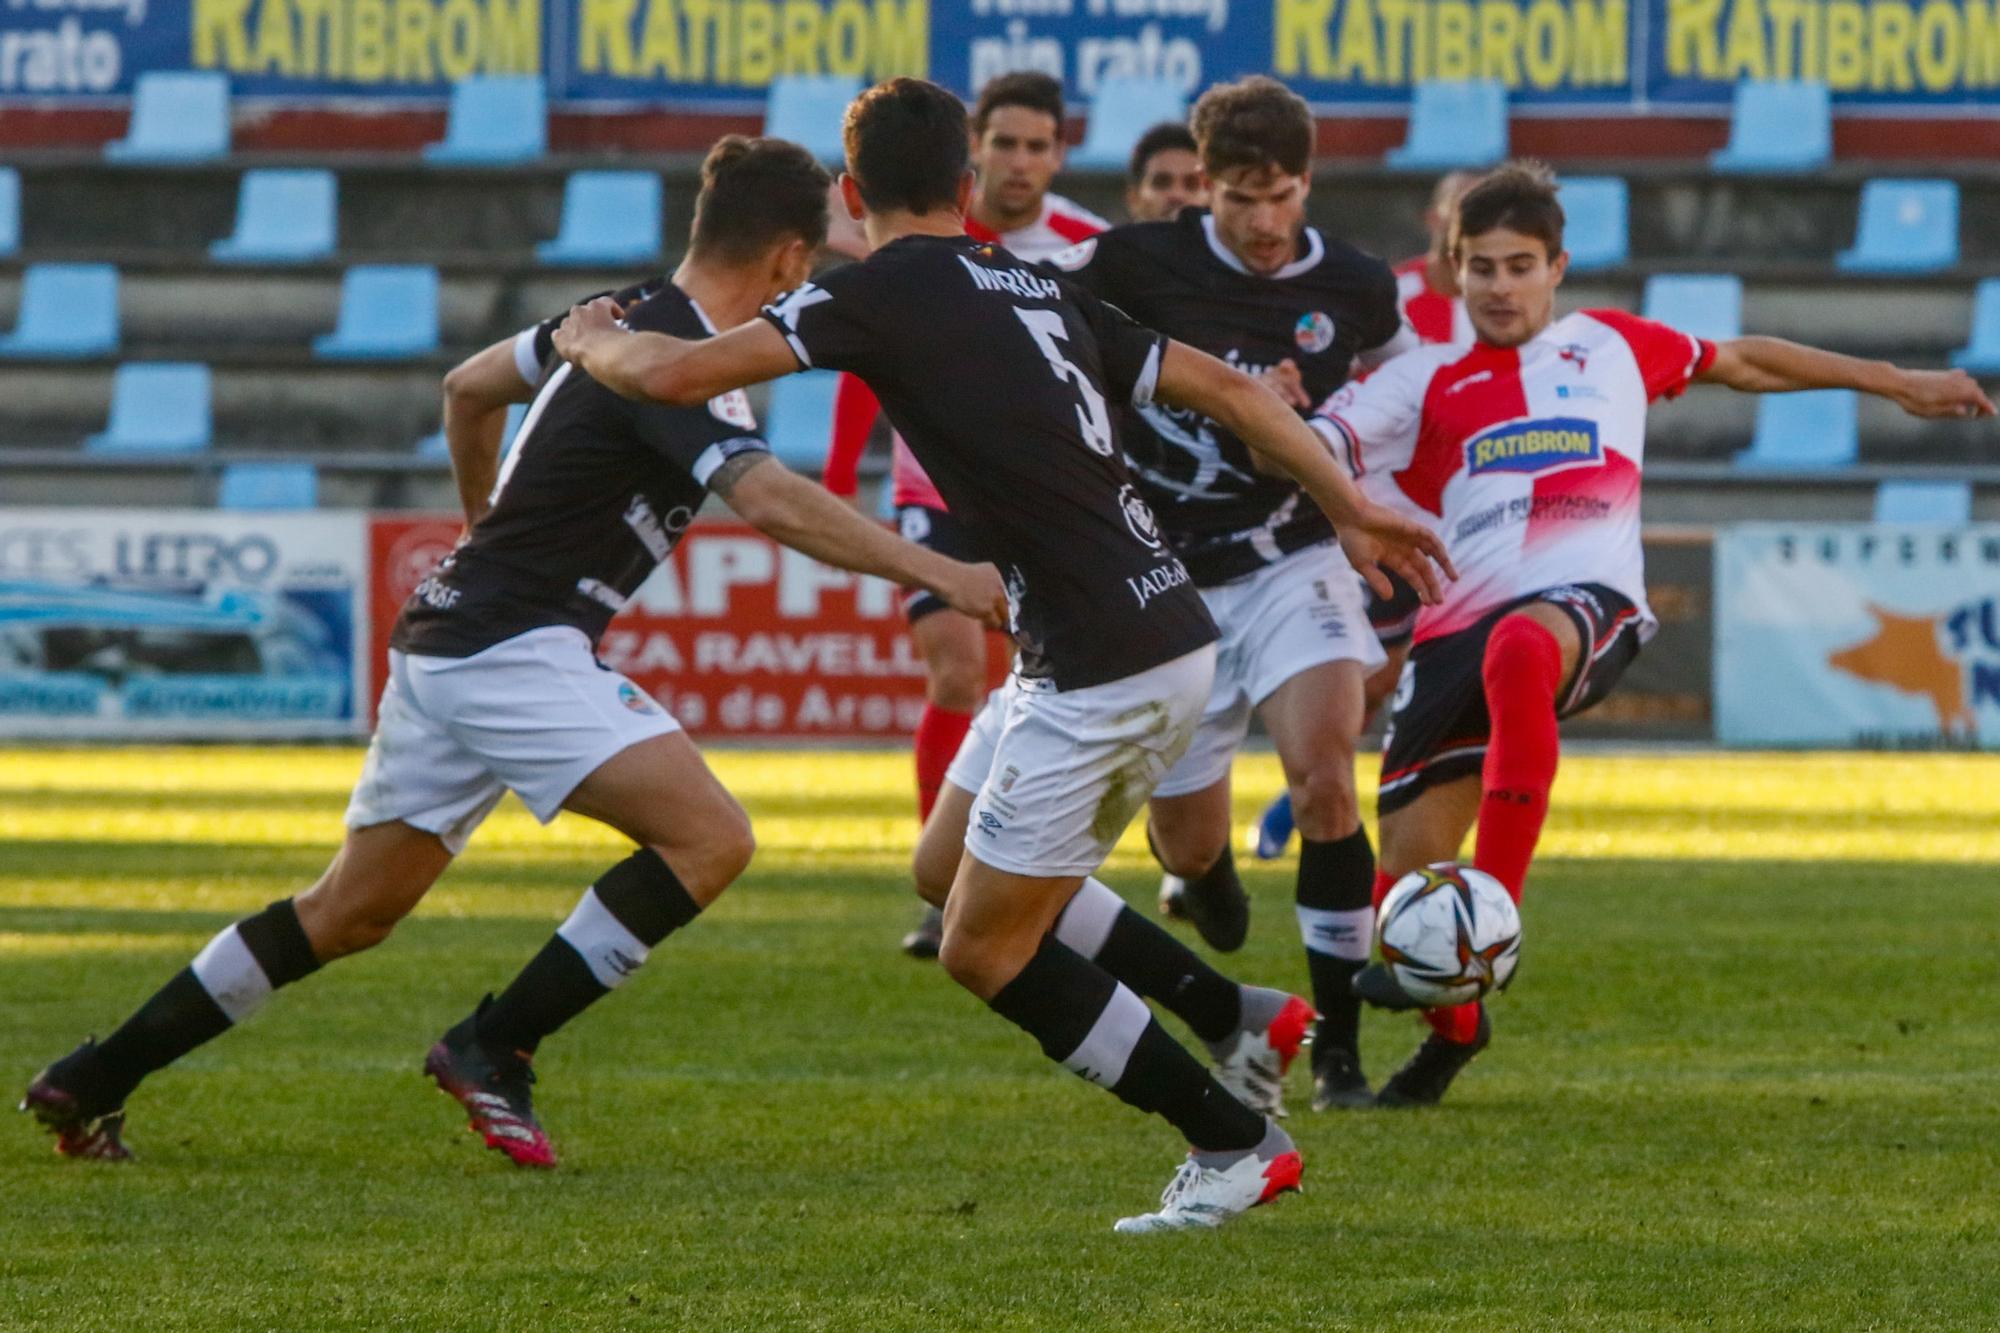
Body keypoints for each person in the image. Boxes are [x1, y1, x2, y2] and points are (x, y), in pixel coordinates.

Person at [553, 77, 1451, 1231]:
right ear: (968, 187)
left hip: (1102, 656)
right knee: (943, 866)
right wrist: (1348, 502)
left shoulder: (873, 293)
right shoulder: (1032, 278)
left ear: (848, 195)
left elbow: (676, 375)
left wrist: (592, 341)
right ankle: (1235, 1013)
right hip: (1137, 621)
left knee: (980, 949)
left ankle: (1231, 1142)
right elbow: (1225, 387)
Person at [21, 137, 1009, 1167]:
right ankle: (494, 1042)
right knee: (709, 840)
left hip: (452, 633)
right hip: (511, 644)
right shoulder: (677, 363)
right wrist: (942, 573)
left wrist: (482, 527)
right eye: (810, 258)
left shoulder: (607, 318)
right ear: (787, 263)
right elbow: (766, 499)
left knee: (347, 912)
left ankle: (91, 1077)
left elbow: (464, 387)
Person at [1315, 161, 1994, 1107]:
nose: (1501, 287)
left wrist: (1894, 380)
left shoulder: (1612, 345)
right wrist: (1286, 423)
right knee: (1406, 894)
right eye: (1482, 268)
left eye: (1520, 266)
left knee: (1521, 651)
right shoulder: (1421, 380)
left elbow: (1745, 359)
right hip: (1452, 629)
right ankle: (1457, 1028)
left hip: (1583, 603)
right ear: (1454, 271)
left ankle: (1496, 914)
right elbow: (1315, 442)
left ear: (1557, 267)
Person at [1048, 75, 1418, 1113]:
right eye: (1239, 199)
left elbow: (1398, 385)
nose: (1262, 224)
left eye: (1282, 196)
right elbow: (1022, 308)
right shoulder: (1131, 259)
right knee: (1192, 849)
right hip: (1166, 579)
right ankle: (1201, 882)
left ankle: (1336, 1049)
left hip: (1290, 556)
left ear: (1307, 183)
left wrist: (1332, 421)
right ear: (1199, 184)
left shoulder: (1351, 285)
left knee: (1324, 783)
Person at [816, 71, 1110, 960]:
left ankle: (1029, 870)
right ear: (972, 156)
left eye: (1037, 145)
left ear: (1060, 153)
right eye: (1004, 143)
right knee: (954, 674)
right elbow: (871, 354)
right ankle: (943, 881)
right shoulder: (923, 240)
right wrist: (837, 477)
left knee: (1044, 682)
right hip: (930, 487)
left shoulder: (1092, 246)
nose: (1020, 161)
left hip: (1043, 496)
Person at [1250, 168, 1478, 861]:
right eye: (1460, 212)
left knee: (1435, 676)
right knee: (1371, 681)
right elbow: (1347, 390)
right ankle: (1307, 802)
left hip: (1467, 517)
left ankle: (1412, 832)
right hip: (1377, 513)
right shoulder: (1392, 296)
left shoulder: (1504, 308)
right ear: (1435, 219)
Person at [1125, 121, 1207, 223]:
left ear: (1211, 199)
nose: (1177, 195)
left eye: (1191, 184)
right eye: (1162, 183)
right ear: (1134, 198)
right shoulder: (1104, 238)